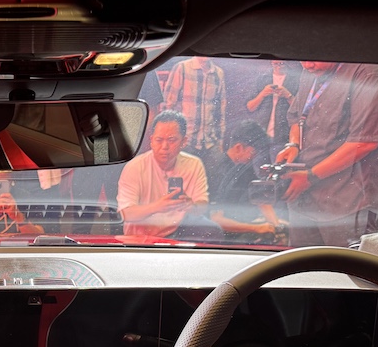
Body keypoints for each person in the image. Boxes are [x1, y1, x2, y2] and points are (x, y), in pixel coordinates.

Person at [275, 61, 378, 247]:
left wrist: (311, 176)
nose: (307, 65)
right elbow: (297, 117)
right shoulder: (310, 71)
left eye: (313, 58)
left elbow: (365, 142)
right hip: (303, 196)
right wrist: (294, 144)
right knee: (302, 262)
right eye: (302, 59)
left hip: (345, 201)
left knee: (343, 264)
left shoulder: (368, 72)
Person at [117, 110, 223, 240]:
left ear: (184, 141)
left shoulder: (193, 164)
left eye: (171, 140)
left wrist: (191, 206)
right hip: (140, 237)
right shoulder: (135, 167)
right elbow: (126, 214)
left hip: (177, 232)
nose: (164, 146)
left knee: (213, 230)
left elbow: (202, 206)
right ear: (151, 141)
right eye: (159, 140)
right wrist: (157, 207)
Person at [209, 121, 284, 243]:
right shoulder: (218, 172)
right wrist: (257, 228)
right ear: (239, 148)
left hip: (251, 226)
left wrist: (276, 226)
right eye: (253, 152)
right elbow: (216, 220)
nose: (255, 157)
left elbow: (261, 200)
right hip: (228, 239)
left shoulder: (245, 167)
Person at [161, 57, 227, 189]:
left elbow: (221, 110)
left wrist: (220, 141)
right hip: (186, 139)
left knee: (213, 186)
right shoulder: (182, 68)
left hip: (209, 141)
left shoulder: (218, 73)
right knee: (181, 186)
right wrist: (170, 139)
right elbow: (168, 105)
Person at [246, 60, 300, 157]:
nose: (278, 67)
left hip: (284, 136)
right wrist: (262, 94)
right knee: (259, 165)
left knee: (278, 165)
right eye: (275, 64)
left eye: (281, 64)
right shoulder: (262, 78)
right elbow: (250, 107)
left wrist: (288, 95)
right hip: (260, 136)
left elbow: (302, 109)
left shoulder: (296, 79)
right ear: (271, 62)